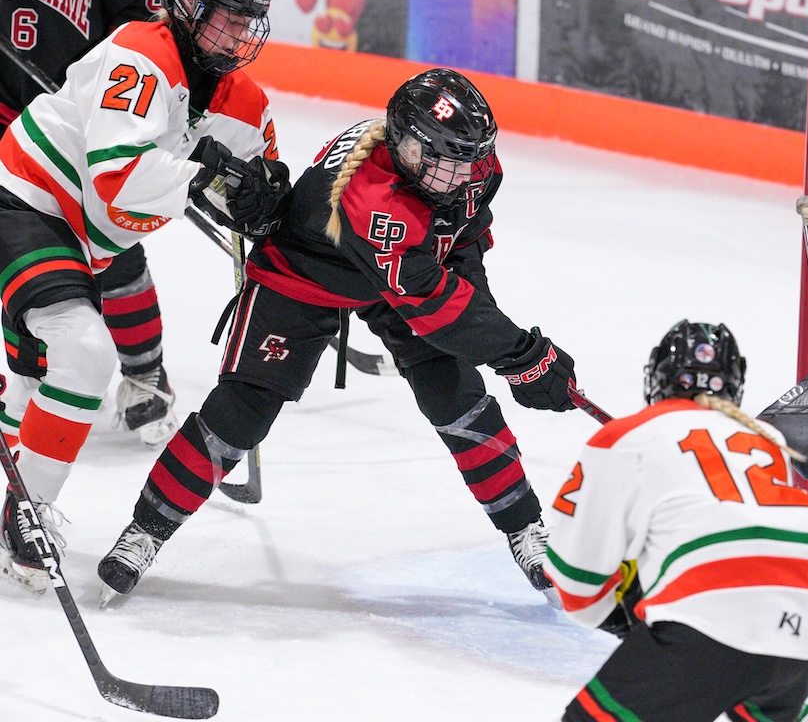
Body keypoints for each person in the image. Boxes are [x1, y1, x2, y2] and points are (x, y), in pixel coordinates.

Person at [95, 67, 579, 609]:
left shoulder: (466, 164)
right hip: (304, 274)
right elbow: (436, 307)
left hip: (399, 274)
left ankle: (525, 528)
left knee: (456, 395)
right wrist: (521, 354)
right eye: (444, 163)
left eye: (467, 160)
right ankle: (146, 530)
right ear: (405, 146)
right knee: (243, 410)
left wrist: (507, 345)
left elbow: (461, 249)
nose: (459, 175)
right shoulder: (374, 201)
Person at [0, 0, 287, 592]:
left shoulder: (246, 105)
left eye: (248, 22)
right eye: (225, 17)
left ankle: (22, 469)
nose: (238, 34)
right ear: (186, 8)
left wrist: (267, 204)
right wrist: (209, 173)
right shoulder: (140, 53)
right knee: (82, 353)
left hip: (82, 237)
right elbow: (118, 178)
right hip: (25, 198)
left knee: (33, 390)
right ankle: (26, 513)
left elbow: (269, 190)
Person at [545, 320, 808, 722]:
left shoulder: (623, 436)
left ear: (657, 379)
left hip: (719, 615)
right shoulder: (765, 441)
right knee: (752, 687)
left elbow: (577, 582)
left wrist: (638, 618)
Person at [0, 0, 182, 449]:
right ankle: (30, 376)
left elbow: (154, 34)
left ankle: (146, 376)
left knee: (108, 250)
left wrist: (101, 89)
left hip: (74, 121)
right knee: (16, 248)